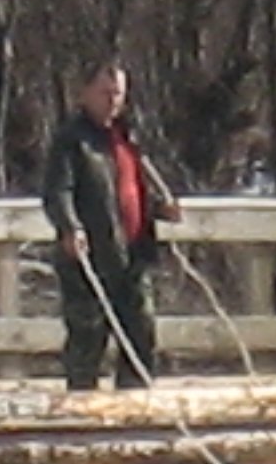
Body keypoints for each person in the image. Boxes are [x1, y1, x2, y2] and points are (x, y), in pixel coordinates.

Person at [41, 59, 182, 391]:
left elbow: (133, 189)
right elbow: (57, 191)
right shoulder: (72, 140)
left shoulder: (129, 137)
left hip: (133, 254)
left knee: (140, 335)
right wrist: (69, 227)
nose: (113, 101)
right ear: (86, 93)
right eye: (106, 93)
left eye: (118, 94)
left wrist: (161, 208)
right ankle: (82, 415)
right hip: (91, 255)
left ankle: (136, 410)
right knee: (87, 340)